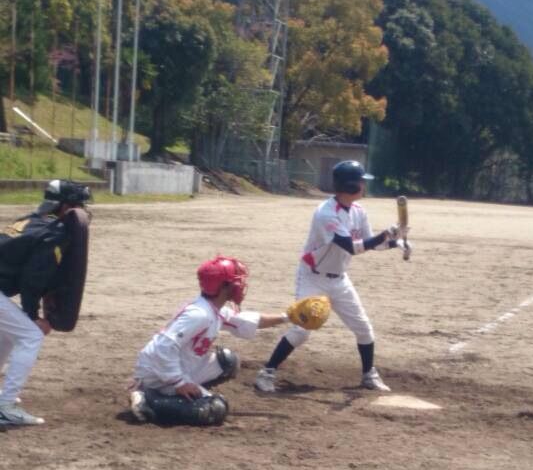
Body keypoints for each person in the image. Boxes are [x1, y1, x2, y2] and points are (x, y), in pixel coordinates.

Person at [255, 159, 408, 395]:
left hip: (339, 279)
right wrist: (384, 234)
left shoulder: (359, 212)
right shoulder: (326, 213)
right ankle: (267, 373)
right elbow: (352, 248)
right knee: (301, 330)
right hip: (312, 277)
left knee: (363, 328)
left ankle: (369, 375)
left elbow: (369, 245)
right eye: (360, 183)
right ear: (350, 186)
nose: (363, 187)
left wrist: (395, 241)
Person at [129, 255, 289, 425]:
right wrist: (179, 382)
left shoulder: (212, 309)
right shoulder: (199, 314)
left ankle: (177, 391)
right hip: (158, 373)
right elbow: (163, 347)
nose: (240, 285)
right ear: (224, 285)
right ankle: (149, 399)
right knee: (215, 408)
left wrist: (289, 317)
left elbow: (246, 321)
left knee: (227, 361)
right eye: (236, 281)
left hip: (181, 365)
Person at [0, 179, 92, 427]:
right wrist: (33, 316)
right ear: (65, 207)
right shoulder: (56, 231)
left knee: (10, 334)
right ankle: (5, 407)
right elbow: (33, 277)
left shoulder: (31, 219)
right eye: (77, 204)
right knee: (30, 335)